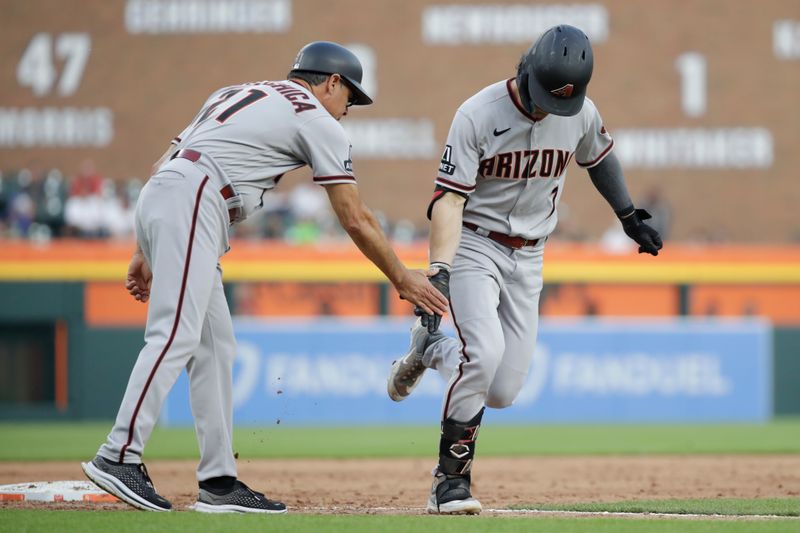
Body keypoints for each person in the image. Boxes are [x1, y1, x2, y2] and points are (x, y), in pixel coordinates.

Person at [81, 41, 449, 514]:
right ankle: (118, 455)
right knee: (175, 333)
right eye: (349, 98)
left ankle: (218, 481)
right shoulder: (316, 118)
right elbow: (355, 217)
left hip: (172, 194)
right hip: (198, 198)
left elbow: (163, 165)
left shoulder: (236, 92)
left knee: (215, 347)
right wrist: (401, 276)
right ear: (330, 82)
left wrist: (144, 245)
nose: (347, 110)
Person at [386, 25, 662, 515]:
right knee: (484, 352)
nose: (546, 109)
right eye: (542, 96)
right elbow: (450, 200)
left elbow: (598, 157)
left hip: (531, 253)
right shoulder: (477, 114)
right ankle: (449, 482)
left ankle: (431, 351)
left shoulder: (580, 112)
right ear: (526, 69)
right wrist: (441, 270)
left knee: (503, 389)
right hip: (475, 244)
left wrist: (627, 215)